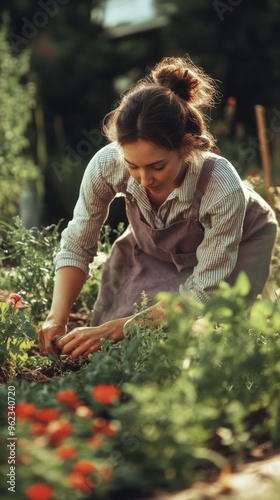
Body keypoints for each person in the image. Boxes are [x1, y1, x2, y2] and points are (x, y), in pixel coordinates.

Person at [38, 56, 278, 359]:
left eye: (157, 166)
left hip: (241, 243)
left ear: (188, 146)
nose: (144, 179)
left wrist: (120, 327)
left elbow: (203, 292)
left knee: (212, 345)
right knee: (118, 350)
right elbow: (78, 243)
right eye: (133, 166)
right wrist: (55, 317)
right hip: (156, 251)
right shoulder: (107, 164)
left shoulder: (220, 186)